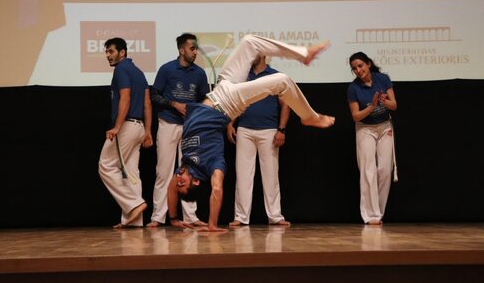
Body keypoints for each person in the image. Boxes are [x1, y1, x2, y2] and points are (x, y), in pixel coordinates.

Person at [167, 34, 335, 232]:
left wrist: (174, 217)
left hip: (223, 86)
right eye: (183, 184)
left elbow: (171, 189)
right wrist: (212, 225)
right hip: (228, 103)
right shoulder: (212, 165)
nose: (178, 180)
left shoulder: (184, 166)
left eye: (178, 184)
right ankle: (309, 117)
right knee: (281, 81)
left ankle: (303, 54)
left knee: (249, 41)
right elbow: (217, 189)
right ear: (195, 181)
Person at [147, 33, 210, 228]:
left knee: (189, 173)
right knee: (163, 171)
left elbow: (205, 99)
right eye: (192, 49)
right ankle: (158, 217)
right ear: (182, 50)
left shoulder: (200, 73)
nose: (195, 52)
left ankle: (190, 216)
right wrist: (174, 104)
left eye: (196, 48)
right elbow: (154, 95)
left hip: (190, 127)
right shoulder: (167, 69)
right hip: (167, 124)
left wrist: (196, 112)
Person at [227, 55, 291, 227]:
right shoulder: (243, 76)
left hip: (269, 130)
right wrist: (230, 123)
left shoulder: (275, 76)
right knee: (243, 175)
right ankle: (240, 217)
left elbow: (286, 104)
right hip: (245, 130)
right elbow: (236, 102)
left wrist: (281, 130)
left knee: (271, 175)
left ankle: (275, 216)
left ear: (263, 54)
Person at [98, 37, 153, 228]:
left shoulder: (121, 69)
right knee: (131, 172)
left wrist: (117, 127)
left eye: (111, 51)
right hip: (138, 128)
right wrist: (147, 131)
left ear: (122, 53)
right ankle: (135, 221)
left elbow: (125, 98)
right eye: (106, 52)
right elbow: (147, 103)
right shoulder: (138, 72)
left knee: (105, 166)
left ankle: (135, 204)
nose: (108, 56)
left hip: (127, 127)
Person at [347, 52, 397, 226]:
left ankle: (379, 213)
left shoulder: (382, 79)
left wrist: (383, 101)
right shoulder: (353, 88)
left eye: (360, 66)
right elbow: (356, 116)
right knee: (368, 170)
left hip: (384, 127)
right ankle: (370, 215)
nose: (358, 70)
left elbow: (394, 105)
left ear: (368, 64)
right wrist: (373, 106)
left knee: (384, 170)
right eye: (354, 68)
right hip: (365, 129)